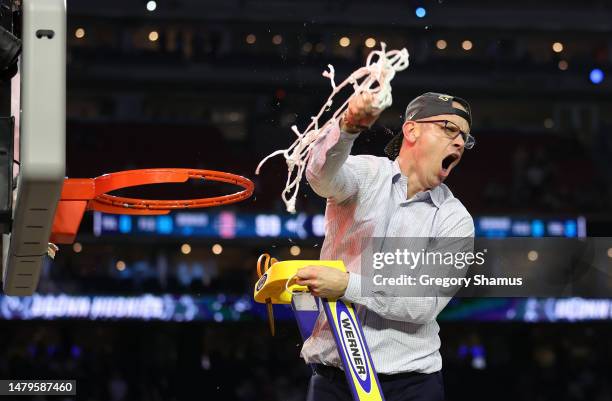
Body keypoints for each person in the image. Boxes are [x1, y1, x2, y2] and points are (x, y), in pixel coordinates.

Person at [295, 92, 476, 401]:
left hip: (411, 386)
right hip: (333, 380)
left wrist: (347, 285)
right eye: (449, 128)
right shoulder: (366, 174)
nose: (459, 142)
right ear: (412, 130)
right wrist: (348, 126)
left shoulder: (456, 219)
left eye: (465, 137)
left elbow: (423, 303)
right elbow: (319, 176)